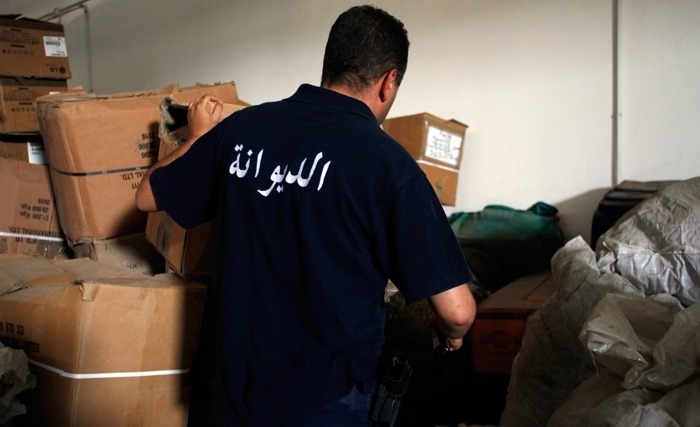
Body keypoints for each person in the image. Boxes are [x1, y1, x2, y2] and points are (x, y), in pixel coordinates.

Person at [136, 5, 476, 426]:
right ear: (388, 81)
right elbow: (457, 311)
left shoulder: (242, 130)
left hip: (237, 391)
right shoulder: (388, 165)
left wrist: (200, 137)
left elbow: (147, 195)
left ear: (330, 63)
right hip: (327, 400)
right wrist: (451, 337)